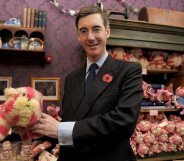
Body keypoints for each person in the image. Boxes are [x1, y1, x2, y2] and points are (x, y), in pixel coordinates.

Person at [29, 5, 143, 161]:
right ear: (78, 36)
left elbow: (124, 122)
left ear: (107, 31)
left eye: (96, 29)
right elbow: (68, 121)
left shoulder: (129, 71)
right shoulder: (72, 78)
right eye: (84, 31)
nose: (90, 37)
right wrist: (35, 126)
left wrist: (61, 129)